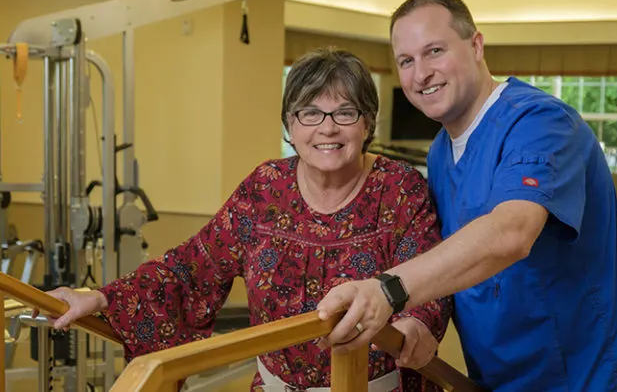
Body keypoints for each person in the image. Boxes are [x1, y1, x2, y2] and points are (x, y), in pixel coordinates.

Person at [37, 47, 451, 391]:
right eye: (310, 113)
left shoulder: (399, 189)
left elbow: (427, 279)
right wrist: (100, 297)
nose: (327, 128)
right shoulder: (264, 188)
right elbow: (189, 270)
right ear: (290, 123)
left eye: (345, 112)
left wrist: (417, 326)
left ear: (367, 123)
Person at [316, 0, 617, 391]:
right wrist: (417, 320)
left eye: (434, 51)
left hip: (578, 377)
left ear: (476, 45)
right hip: (496, 376)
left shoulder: (541, 123)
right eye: (406, 61)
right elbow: (452, 258)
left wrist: (388, 290)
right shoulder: (441, 152)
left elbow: (510, 233)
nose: (421, 74)